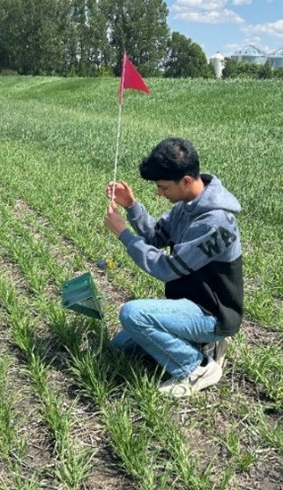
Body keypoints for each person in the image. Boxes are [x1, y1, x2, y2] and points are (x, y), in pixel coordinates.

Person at [104, 137, 243, 398]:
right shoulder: (186, 206)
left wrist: (123, 234)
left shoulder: (217, 222)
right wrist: (132, 207)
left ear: (186, 181)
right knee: (121, 346)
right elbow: (156, 236)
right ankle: (198, 343)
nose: (159, 193)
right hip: (188, 303)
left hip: (212, 313)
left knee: (133, 315)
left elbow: (167, 267)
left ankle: (198, 367)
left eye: (163, 187)